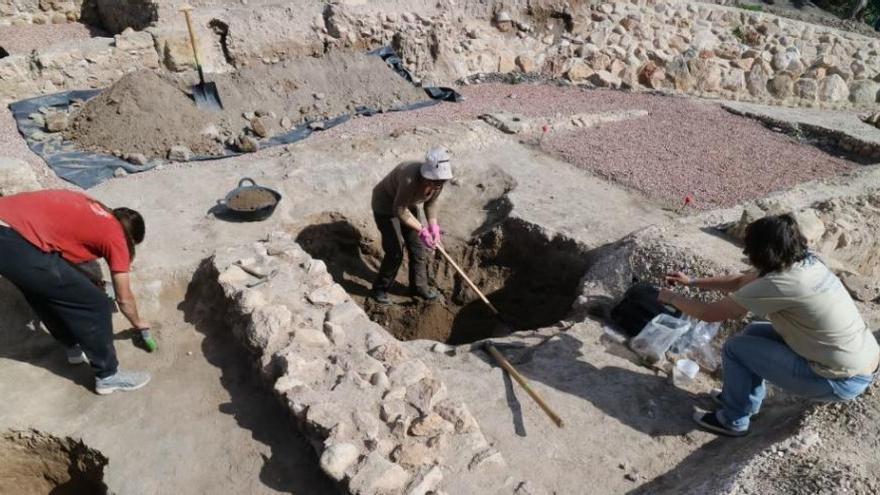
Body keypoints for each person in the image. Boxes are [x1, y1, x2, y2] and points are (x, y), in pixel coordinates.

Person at [659, 214, 879, 437]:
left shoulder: (782, 283)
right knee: (754, 333)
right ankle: (741, 399)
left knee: (736, 348)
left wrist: (671, 298)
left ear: (763, 252)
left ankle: (734, 420)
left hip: (838, 379)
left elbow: (709, 313)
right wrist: (692, 282)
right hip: (856, 358)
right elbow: (739, 282)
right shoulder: (805, 262)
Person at [0, 189, 152, 395]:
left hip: (10, 231)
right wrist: (138, 322)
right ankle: (108, 376)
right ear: (130, 238)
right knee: (96, 304)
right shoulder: (116, 235)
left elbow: (54, 251)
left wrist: (88, 279)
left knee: (43, 292)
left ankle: (72, 348)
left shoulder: (94, 208)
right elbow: (123, 298)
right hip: (13, 240)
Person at [370, 147, 453, 304]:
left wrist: (433, 226)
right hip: (386, 206)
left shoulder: (439, 182)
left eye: (441, 182)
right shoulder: (410, 179)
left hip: (408, 205)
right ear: (427, 175)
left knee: (417, 247)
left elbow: (430, 204)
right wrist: (422, 230)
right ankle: (380, 289)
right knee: (395, 251)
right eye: (436, 182)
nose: (439, 185)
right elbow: (399, 210)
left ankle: (419, 287)